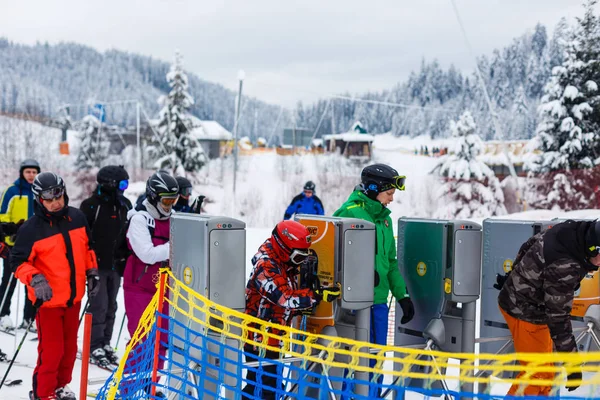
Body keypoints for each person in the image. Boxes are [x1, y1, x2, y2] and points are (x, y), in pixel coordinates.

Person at [11, 172, 99, 400]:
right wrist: (35, 278)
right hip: (48, 301)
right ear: (39, 199)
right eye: (48, 199)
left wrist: (92, 271)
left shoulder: (78, 218)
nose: (55, 202)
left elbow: (87, 249)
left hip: (73, 298)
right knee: (52, 352)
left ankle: (60, 385)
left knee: (70, 351)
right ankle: (43, 392)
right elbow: (17, 262)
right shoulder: (31, 229)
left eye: (58, 196)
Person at [333, 163, 414, 397]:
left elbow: (390, 263)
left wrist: (402, 296)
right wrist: (358, 272)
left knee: (377, 358)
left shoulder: (385, 220)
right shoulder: (350, 212)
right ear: (372, 188)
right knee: (355, 360)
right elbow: (331, 255)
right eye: (389, 193)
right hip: (354, 304)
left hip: (378, 302)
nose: (391, 199)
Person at [496, 219, 600, 396]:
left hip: (534, 307)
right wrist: (572, 365)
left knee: (546, 376)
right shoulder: (566, 266)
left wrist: (513, 275)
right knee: (536, 377)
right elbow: (558, 319)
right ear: (594, 248)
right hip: (524, 311)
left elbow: (529, 243)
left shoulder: (574, 231)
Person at [242, 220, 340, 399]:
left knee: (271, 386)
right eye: (298, 258)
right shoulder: (265, 266)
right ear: (283, 248)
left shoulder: (285, 265)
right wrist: (316, 295)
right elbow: (284, 297)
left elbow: (283, 304)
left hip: (275, 338)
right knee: (261, 388)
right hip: (259, 341)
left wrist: (306, 305)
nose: (299, 263)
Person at [122, 171, 178, 376]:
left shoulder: (174, 218)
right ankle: (129, 387)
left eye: (173, 200)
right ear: (154, 197)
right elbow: (147, 254)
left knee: (162, 337)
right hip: (140, 286)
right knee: (142, 338)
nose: (169, 205)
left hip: (166, 287)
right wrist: (175, 247)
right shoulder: (140, 219)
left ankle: (150, 385)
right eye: (166, 200)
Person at [79, 165, 132, 367]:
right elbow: (82, 236)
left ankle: (106, 342)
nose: (124, 188)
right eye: (122, 184)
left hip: (116, 265)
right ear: (110, 184)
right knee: (99, 305)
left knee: (111, 305)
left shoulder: (124, 205)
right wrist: (87, 263)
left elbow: (129, 233)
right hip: (96, 265)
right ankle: (94, 345)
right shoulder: (91, 205)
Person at [0, 159, 40, 332]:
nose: (31, 175)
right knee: (9, 280)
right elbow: (2, 215)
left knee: (31, 281)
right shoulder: (12, 191)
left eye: (34, 172)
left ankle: (29, 318)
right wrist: (10, 230)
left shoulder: (41, 193)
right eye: (28, 172)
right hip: (13, 244)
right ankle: (3, 314)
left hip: (35, 246)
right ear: (22, 173)